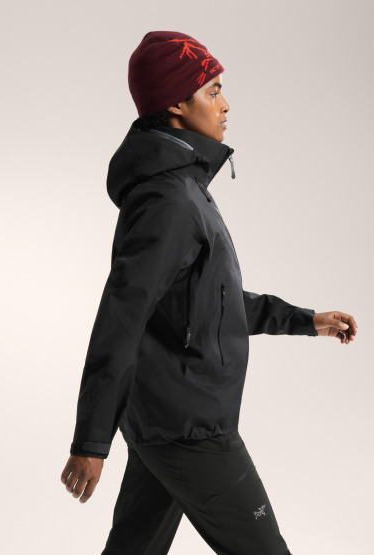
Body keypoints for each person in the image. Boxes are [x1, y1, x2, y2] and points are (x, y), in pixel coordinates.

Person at [60, 31, 358, 554]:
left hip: (165, 419)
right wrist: (91, 440)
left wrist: (305, 320)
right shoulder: (170, 200)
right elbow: (121, 317)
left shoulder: (183, 186)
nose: (226, 105)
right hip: (189, 428)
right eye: (213, 90)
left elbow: (206, 303)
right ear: (177, 102)